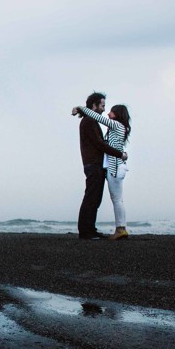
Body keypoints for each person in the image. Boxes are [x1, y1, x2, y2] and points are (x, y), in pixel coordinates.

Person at [73, 92, 127, 240]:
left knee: (95, 198)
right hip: (93, 164)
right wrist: (119, 154)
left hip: (95, 164)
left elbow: (101, 143)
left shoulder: (91, 121)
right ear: (94, 106)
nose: (104, 109)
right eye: (102, 106)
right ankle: (86, 232)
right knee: (91, 198)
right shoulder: (89, 121)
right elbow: (99, 144)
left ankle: (90, 229)